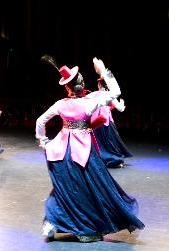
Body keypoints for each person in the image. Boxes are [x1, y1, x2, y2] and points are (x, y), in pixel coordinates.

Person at [36, 57, 144, 242]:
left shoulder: (60, 104)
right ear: (82, 84)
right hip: (83, 153)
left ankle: (53, 223)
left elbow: (40, 121)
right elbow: (116, 92)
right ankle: (81, 227)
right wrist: (103, 71)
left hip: (61, 153)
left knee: (64, 190)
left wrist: (43, 140)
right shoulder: (89, 102)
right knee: (91, 189)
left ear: (67, 88)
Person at [87, 77, 133, 168]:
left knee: (96, 143)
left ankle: (97, 159)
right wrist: (122, 103)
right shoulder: (109, 94)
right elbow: (120, 109)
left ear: (99, 85)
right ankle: (114, 159)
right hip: (105, 122)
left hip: (95, 123)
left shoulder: (93, 94)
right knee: (110, 143)